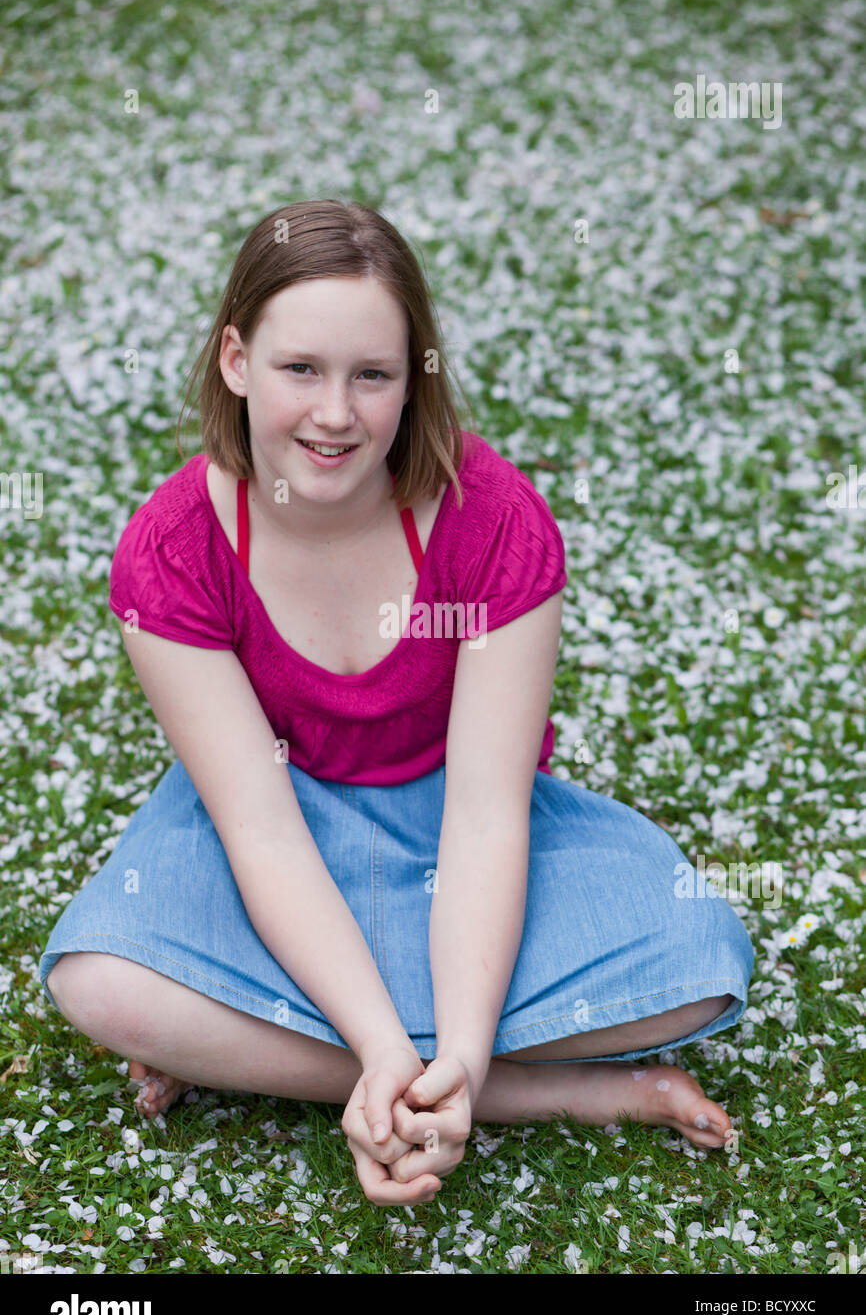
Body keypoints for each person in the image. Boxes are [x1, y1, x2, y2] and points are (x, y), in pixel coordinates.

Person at [38, 198, 754, 1208]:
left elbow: (486, 813)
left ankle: (281, 1048)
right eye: (301, 370)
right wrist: (382, 1045)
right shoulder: (172, 550)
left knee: (697, 961)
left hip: (456, 829)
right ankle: (542, 1089)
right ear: (236, 360)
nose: (335, 414)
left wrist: (454, 1047)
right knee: (98, 981)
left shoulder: (491, 521)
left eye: (371, 375)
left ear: (411, 378)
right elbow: (261, 834)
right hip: (279, 832)